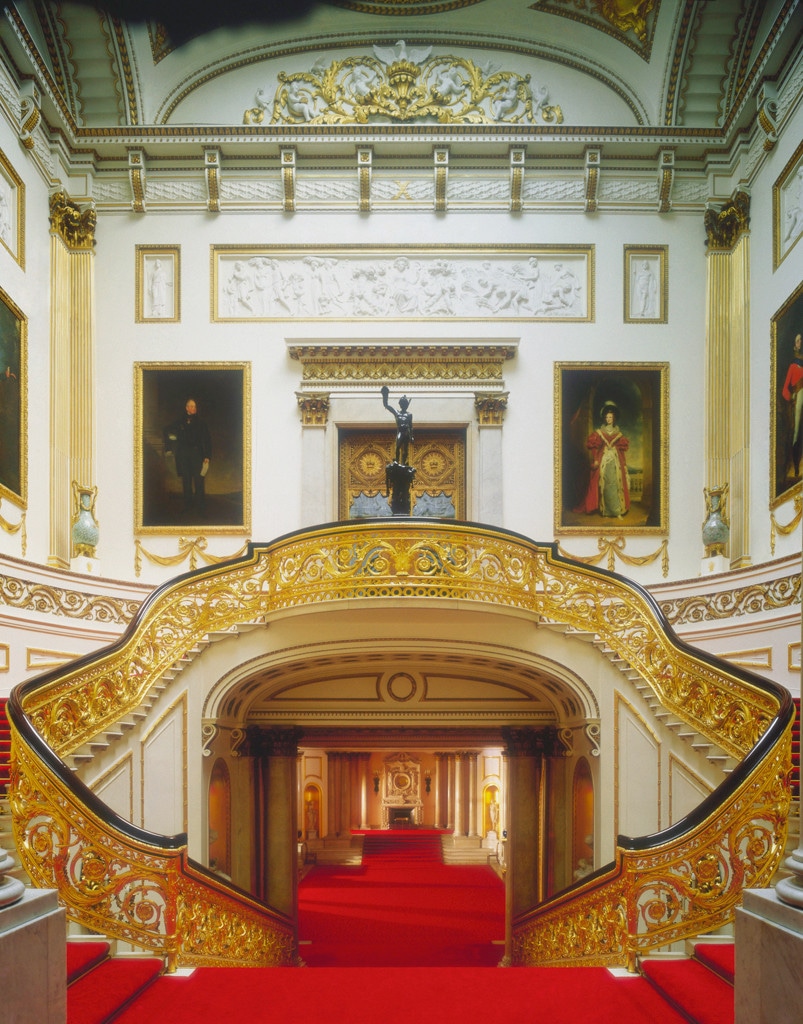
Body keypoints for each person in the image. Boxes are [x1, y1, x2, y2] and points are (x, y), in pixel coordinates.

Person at [577, 402, 630, 518]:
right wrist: (596, 459)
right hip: (604, 461)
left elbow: (621, 451)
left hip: (616, 462)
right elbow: (595, 448)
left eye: (610, 417)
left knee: (616, 484)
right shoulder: (599, 433)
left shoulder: (619, 434)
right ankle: (606, 511)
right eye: (606, 417)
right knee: (605, 484)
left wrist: (624, 465)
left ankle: (617, 512)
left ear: (614, 418)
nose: (608, 419)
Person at [163, 398, 211, 513]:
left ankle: (201, 508)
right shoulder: (180, 422)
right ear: (186, 408)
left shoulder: (201, 423)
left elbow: (207, 440)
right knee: (186, 481)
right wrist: (170, 446)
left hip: (197, 455)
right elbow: (167, 431)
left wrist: (207, 456)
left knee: (199, 481)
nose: (193, 408)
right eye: (191, 406)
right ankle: (188, 506)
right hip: (183, 456)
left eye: (194, 406)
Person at [782, 332, 803, 478]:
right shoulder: (792, 366)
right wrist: (792, 397)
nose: (800, 342)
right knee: (796, 434)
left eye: (801, 340)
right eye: (798, 340)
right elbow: (784, 390)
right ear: (794, 345)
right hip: (798, 400)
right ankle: (796, 467)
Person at [381, 385, 414, 465]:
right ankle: (397, 461)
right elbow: (386, 405)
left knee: (405, 449)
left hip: (406, 432)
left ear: (406, 405)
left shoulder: (409, 415)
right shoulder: (397, 413)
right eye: (402, 404)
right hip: (400, 432)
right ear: (400, 404)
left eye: (405, 404)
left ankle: (403, 462)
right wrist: (385, 395)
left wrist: (411, 436)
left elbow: (411, 426)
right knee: (398, 446)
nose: (403, 405)